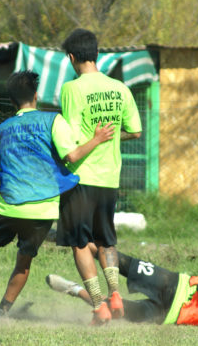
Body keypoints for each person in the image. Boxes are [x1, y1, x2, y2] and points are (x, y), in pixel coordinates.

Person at [0, 70, 115, 316]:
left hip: (10, 204)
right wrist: (97, 139)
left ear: (13, 101)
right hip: (43, 208)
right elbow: (71, 155)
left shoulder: (1, 131)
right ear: (36, 95)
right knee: (24, 261)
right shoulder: (53, 121)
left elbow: (0, 164)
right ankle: (2, 310)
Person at [56, 28, 143, 324]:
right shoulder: (120, 88)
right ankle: (115, 294)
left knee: (80, 244)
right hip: (109, 178)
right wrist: (110, 137)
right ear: (96, 54)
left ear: (71, 57)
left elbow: (68, 136)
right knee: (105, 240)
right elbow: (136, 130)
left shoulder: (72, 89)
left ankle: (98, 306)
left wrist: (94, 140)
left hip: (81, 178)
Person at [46, 244, 198, 327]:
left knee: (117, 311)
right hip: (174, 285)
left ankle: (75, 289)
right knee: (123, 262)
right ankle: (83, 241)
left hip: (169, 317)